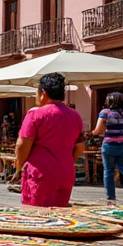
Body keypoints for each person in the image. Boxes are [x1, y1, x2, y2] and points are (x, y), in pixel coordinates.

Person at [15, 73, 84, 207]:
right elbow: (80, 148)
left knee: (37, 217)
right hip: (66, 172)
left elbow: (23, 144)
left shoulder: (35, 114)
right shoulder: (75, 116)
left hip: (40, 174)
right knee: (60, 218)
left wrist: (19, 168)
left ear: (43, 92)